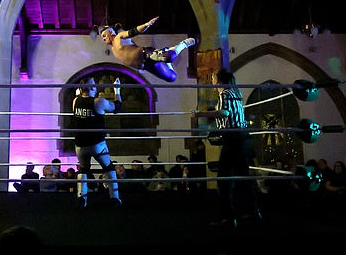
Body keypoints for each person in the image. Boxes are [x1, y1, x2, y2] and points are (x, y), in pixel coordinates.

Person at [193, 68, 260, 228]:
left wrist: (200, 114)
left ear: (220, 80)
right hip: (242, 137)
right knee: (242, 177)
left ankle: (228, 217)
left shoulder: (224, 94)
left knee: (223, 180)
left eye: (214, 78)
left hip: (233, 137)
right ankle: (252, 212)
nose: (212, 81)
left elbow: (224, 113)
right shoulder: (236, 93)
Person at [71, 77, 123, 208]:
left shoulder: (75, 101)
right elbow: (117, 107)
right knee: (108, 167)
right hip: (97, 144)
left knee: (83, 169)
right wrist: (117, 90)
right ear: (93, 88)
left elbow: (80, 99)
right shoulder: (99, 101)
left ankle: (81, 198)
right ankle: (114, 198)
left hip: (80, 144)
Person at [99, 16, 197, 82]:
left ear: (110, 32)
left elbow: (133, 32)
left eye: (104, 35)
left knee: (169, 56)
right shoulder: (113, 50)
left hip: (146, 55)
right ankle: (168, 63)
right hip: (145, 66)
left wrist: (146, 25)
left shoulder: (118, 37)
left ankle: (183, 44)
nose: (103, 39)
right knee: (172, 77)